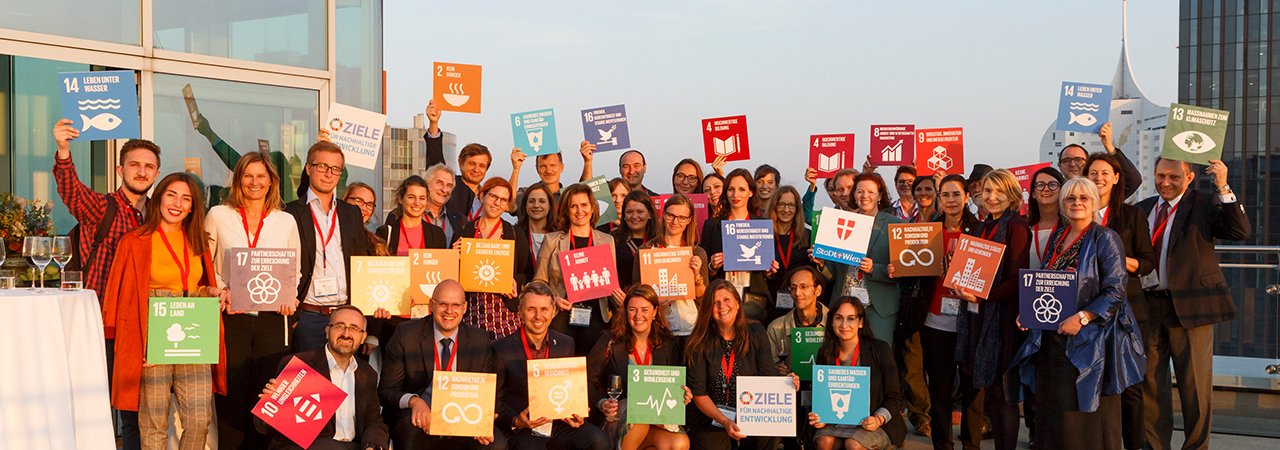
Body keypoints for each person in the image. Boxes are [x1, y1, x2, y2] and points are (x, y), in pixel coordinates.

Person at [1008, 178, 1146, 450]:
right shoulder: (1059, 236)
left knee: (1085, 415)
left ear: (1094, 203)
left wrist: (1083, 317)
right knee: (1054, 411)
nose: (1077, 203)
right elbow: (1045, 281)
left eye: (1084, 198)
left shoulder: (1106, 238)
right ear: (1063, 203)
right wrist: (1028, 312)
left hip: (1091, 343)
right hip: (1053, 340)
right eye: (1071, 198)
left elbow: (1115, 291)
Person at [53, 121, 160, 450]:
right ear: (120, 169)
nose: (141, 172)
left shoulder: (160, 215)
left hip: (143, 328)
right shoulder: (102, 208)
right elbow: (71, 190)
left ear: (156, 173)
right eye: (134, 165)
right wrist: (63, 149)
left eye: (148, 166)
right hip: (100, 325)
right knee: (92, 407)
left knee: (134, 412)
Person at [103, 172, 228, 450]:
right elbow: (121, 298)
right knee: (153, 425)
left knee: (199, 420)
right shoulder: (134, 240)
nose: (177, 203)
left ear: (193, 206)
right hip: (153, 336)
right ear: (158, 197)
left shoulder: (199, 240)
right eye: (171, 195)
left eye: (186, 198)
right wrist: (136, 347)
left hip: (193, 337)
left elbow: (201, 284)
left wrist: (211, 292)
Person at [1136, 158, 1249, 450]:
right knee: (1150, 387)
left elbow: (1239, 232)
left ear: (1189, 176)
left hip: (1191, 306)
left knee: (1195, 387)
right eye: (1160, 175)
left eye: (1173, 176)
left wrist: (1223, 185)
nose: (1165, 182)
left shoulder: (1205, 202)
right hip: (1148, 307)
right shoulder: (1144, 208)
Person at [204, 152, 303, 449]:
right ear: (238, 180)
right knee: (232, 398)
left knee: (266, 398)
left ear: (272, 181)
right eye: (248, 175)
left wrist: (289, 295)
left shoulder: (285, 220)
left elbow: (294, 268)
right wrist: (222, 291)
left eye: (261, 176)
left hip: (273, 320)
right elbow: (206, 264)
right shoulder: (218, 215)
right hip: (232, 319)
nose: (254, 182)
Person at [891, 174, 983, 450]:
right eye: (946, 195)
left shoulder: (980, 231)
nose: (951, 200)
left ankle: (971, 445)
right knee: (940, 391)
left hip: (971, 320)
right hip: (935, 322)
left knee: (972, 392)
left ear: (967, 197)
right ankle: (942, 445)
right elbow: (911, 272)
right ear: (939, 199)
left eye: (956, 194)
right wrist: (899, 269)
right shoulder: (927, 230)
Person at [1083, 153, 1156, 450]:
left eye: (1105, 173)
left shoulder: (1132, 215)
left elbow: (1148, 262)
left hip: (1128, 310)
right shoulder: (1076, 211)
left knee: (1131, 385)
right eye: (1092, 172)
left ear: (1116, 178)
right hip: (1087, 310)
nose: (1098, 178)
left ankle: (1134, 444)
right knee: (1093, 381)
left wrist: (1118, 260)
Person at [953, 169, 1029, 450]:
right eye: (987, 191)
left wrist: (981, 297)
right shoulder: (983, 225)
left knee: (1001, 393)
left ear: (1012, 195)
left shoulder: (1016, 226)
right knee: (989, 390)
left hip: (1001, 321)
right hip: (977, 318)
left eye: (999, 192)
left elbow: (1015, 280)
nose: (992, 197)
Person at [378, 280, 505, 449]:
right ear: (431, 305)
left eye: (456, 305)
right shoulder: (406, 334)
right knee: (409, 430)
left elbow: (486, 393)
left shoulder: (479, 340)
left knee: (496, 444)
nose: (449, 311)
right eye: (443, 304)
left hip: (463, 419)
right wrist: (414, 402)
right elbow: (386, 391)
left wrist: (483, 420)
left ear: (465, 307)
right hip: (420, 420)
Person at [493, 282, 612, 450]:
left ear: (553, 311)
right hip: (525, 429)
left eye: (544, 309)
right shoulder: (501, 349)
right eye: (531, 309)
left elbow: (572, 389)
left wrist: (576, 412)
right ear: (520, 311)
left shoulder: (566, 343)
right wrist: (516, 420)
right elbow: (495, 401)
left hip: (559, 425)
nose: (538, 316)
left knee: (598, 439)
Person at [255, 306, 390, 450]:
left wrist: (372, 446)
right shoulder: (299, 365)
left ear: (363, 337)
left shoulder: (367, 373)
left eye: (354, 328)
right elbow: (263, 428)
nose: (346, 334)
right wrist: (269, 403)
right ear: (327, 332)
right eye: (339, 326)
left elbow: (374, 422)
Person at [284, 141, 375, 352]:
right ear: (308, 168)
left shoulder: (351, 213)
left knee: (343, 382)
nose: (328, 174)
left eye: (335, 169)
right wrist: (295, 320)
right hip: (308, 316)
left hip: (345, 317)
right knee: (306, 382)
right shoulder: (289, 213)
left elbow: (360, 264)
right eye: (322, 166)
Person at [685, 279, 795, 450]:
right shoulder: (698, 342)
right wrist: (725, 421)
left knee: (770, 432)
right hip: (712, 417)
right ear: (708, 309)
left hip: (751, 412)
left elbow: (766, 376)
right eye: (715, 302)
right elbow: (699, 394)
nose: (722, 306)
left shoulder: (757, 333)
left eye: (727, 299)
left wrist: (787, 382)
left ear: (738, 303)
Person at [586, 285, 693, 450]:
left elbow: (674, 384)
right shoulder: (610, 339)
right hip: (619, 418)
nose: (638, 315)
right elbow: (586, 380)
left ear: (655, 311)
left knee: (679, 443)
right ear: (625, 311)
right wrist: (601, 404)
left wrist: (683, 394)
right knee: (637, 412)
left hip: (657, 418)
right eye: (632, 309)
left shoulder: (668, 343)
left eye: (645, 309)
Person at [808, 296, 907, 450]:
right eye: (839, 318)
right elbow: (821, 397)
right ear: (832, 322)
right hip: (837, 421)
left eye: (851, 319)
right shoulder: (824, 353)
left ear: (860, 322)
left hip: (873, 422)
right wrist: (819, 416)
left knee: (853, 444)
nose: (844, 325)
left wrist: (878, 419)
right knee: (824, 441)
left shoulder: (879, 349)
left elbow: (895, 396)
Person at [534, 183, 619, 356]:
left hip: (596, 317)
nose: (580, 211)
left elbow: (611, 283)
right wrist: (555, 299)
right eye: (574, 206)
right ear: (566, 210)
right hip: (561, 316)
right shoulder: (551, 240)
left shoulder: (607, 240)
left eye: (584, 205)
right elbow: (538, 282)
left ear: (593, 208)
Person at [817, 172, 902, 341]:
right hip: (844, 307)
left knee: (878, 359)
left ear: (880, 195)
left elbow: (901, 273)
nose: (865, 196)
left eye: (871, 192)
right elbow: (832, 273)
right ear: (854, 195)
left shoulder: (896, 225)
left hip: (879, 309)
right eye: (860, 191)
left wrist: (874, 269)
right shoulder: (840, 223)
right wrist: (821, 264)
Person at [453, 177, 534, 342]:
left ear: (507, 206)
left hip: (506, 315)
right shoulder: (463, 232)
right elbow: (451, 278)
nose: (497, 203)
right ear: (482, 196)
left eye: (503, 200)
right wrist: (454, 258)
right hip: (472, 313)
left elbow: (528, 272)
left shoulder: (515, 234)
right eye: (493, 197)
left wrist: (515, 282)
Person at [700, 169, 780, 323]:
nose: (736, 195)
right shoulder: (711, 225)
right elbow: (705, 270)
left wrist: (770, 271)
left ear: (751, 192)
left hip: (753, 300)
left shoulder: (762, 225)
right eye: (731, 189)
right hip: (720, 299)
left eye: (741, 189)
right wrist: (712, 266)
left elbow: (770, 272)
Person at [636, 194, 709, 336]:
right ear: (663, 215)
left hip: (690, 327)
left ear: (689, 220)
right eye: (671, 215)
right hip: (656, 327)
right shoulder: (646, 250)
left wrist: (696, 275)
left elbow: (703, 298)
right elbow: (637, 292)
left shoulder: (697, 252)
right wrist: (653, 302)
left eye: (682, 217)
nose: (675, 221)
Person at [422, 100, 492, 223]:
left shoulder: (489, 196)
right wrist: (434, 123)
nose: (476, 169)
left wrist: (516, 168)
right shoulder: (450, 187)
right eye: (472, 163)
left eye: (482, 166)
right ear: (460, 163)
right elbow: (435, 160)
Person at [763, 185, 812, 322]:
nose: (786, 210)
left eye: (791, 205)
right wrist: (767, 274)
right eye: (782, 204)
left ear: (797, 208)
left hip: (800, 304)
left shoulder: (807, 236)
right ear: (774, 206)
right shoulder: (763, 235)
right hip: (770, 303)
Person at [765, 265, 827, 373]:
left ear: (818, 290)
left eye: (804, 287)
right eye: (793, 288)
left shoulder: (835, 324)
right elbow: (768, 370)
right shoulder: (775, 328)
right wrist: (778, 373)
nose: (797, 293)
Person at [1056, 123, 1142, 200]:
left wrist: (1109, 146)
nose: (1072, 164)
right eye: (1066, 160)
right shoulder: (1053, 193)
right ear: (1059, 166)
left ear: (1088, 165)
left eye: (1078, 160)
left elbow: (1133, 181)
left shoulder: (1102, 193)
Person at [377, 175, 449, 255]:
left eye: (422, 198)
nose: (417, 203)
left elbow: (441, 265)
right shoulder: (385, 234)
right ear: (401, 199)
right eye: (411, 197)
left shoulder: (437, 234)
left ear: (427, 201)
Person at [612, 191, 659, 288]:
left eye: (640, 212)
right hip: (621, 300)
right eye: (629, 212)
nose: (634, 216)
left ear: (649, 213)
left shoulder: (660, 240)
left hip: (653, 300)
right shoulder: (613, 240)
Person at [1028, 167, 1066, 270]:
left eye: (1052, 185)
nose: (1046, 189)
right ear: (1033, 193)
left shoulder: (1070, 227)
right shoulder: (1025, 228)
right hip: (1028, 285)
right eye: (1040, 185)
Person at [342, 182, 390, 256]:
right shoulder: (331, 235)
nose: (364, 208)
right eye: (358, 201)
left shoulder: (376, 244)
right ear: (344, 200)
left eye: (369, 205)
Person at [516, 181, 557, 258]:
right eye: (531, 201)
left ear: (550, 206)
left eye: (542, 201)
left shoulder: (559, 237)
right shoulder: (516, 235)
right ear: (525, 205)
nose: (536, 205)